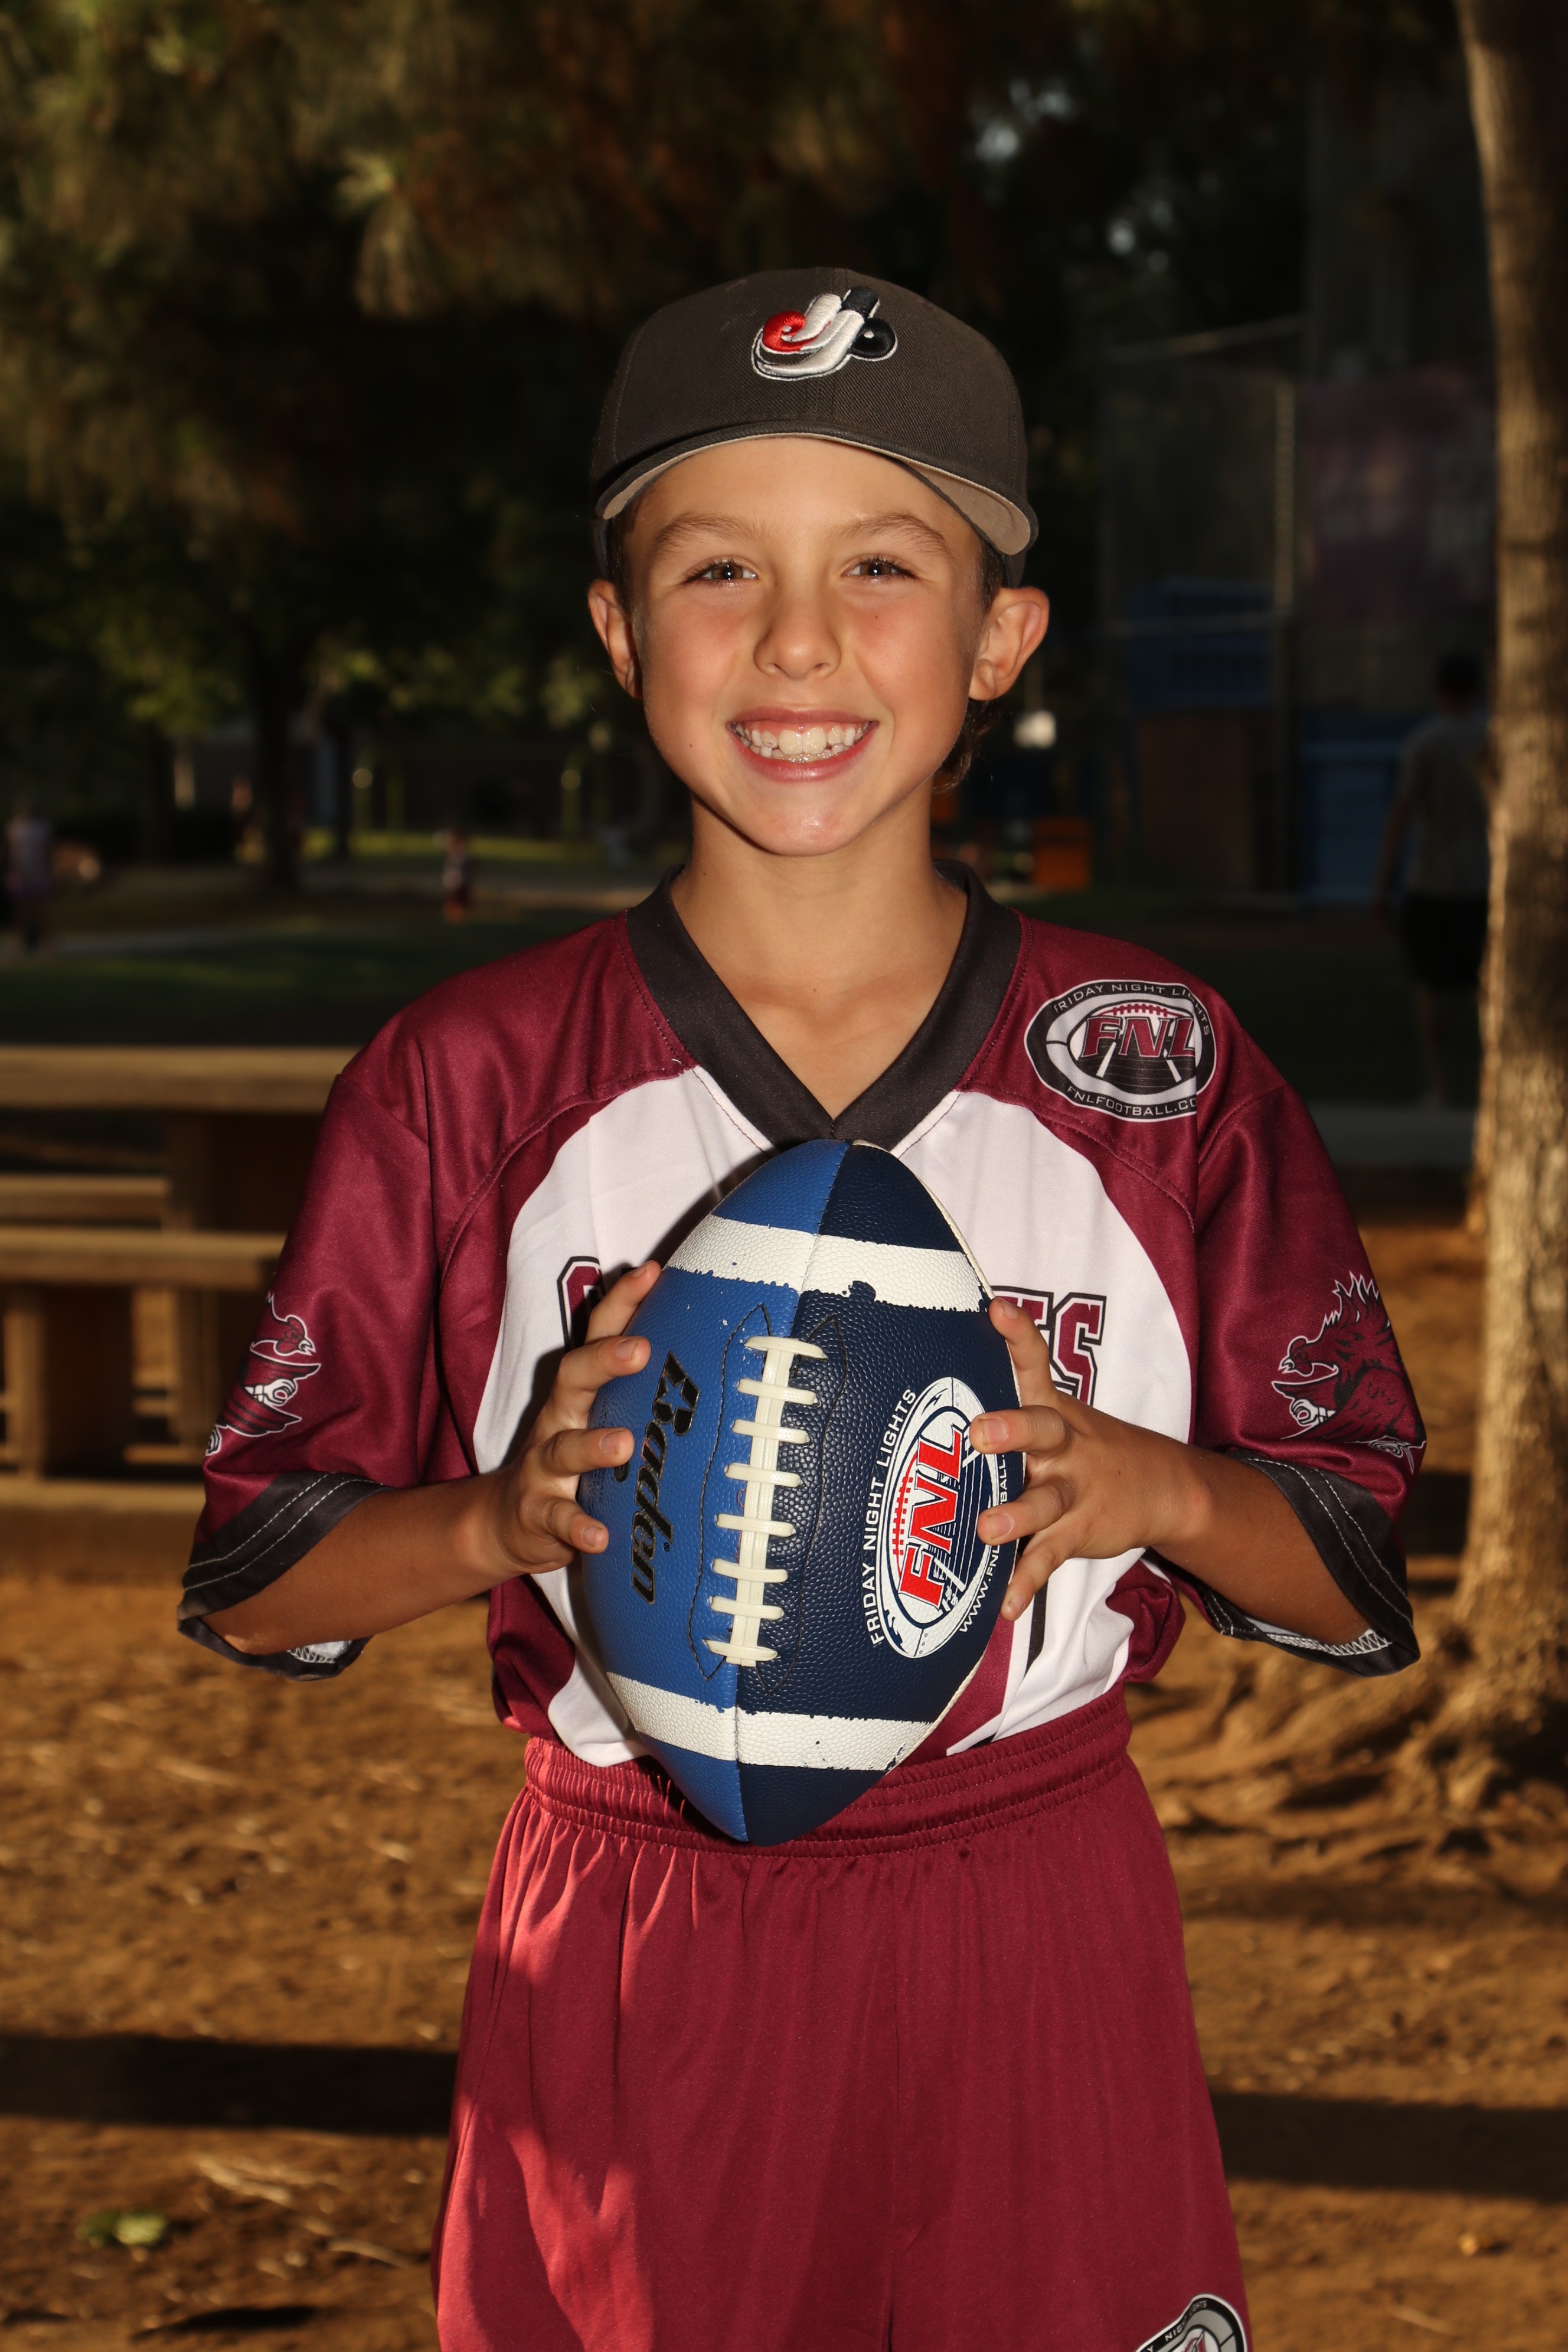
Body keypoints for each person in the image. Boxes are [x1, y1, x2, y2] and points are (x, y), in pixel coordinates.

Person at [180, 273, 1422, 2352]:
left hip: (1031, 1910)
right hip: (633, 1931)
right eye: (716, 569)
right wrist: (493, 1519)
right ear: (616, 631)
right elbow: (255, 1572)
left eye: (880, 565)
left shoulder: (1160, 1070)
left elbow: (1356, 1547)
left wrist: (1148, 1487)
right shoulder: (465, 1081)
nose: (795, 640)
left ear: (1002, 636)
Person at [1374, 651, 1491, 1105]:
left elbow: (1402, 813)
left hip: (1431, 879)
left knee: (1430, 985)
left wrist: (1383, 884)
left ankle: (1440, 1085)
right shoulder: (1491, 738)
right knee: (1486, 985)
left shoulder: (1424, 743)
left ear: (1439, 690)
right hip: (1481, 877)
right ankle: (1490, 1081)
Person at [5, 795, 53, 952]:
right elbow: (11, 850)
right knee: (20, 911)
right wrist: (14, 870)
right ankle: (19, 943)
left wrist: (49, 871)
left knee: (40, 910)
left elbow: (48, 851)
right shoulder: (14, 827)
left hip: (38, 872)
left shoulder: (42, 827)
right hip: (21, 872)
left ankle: (46, 943)